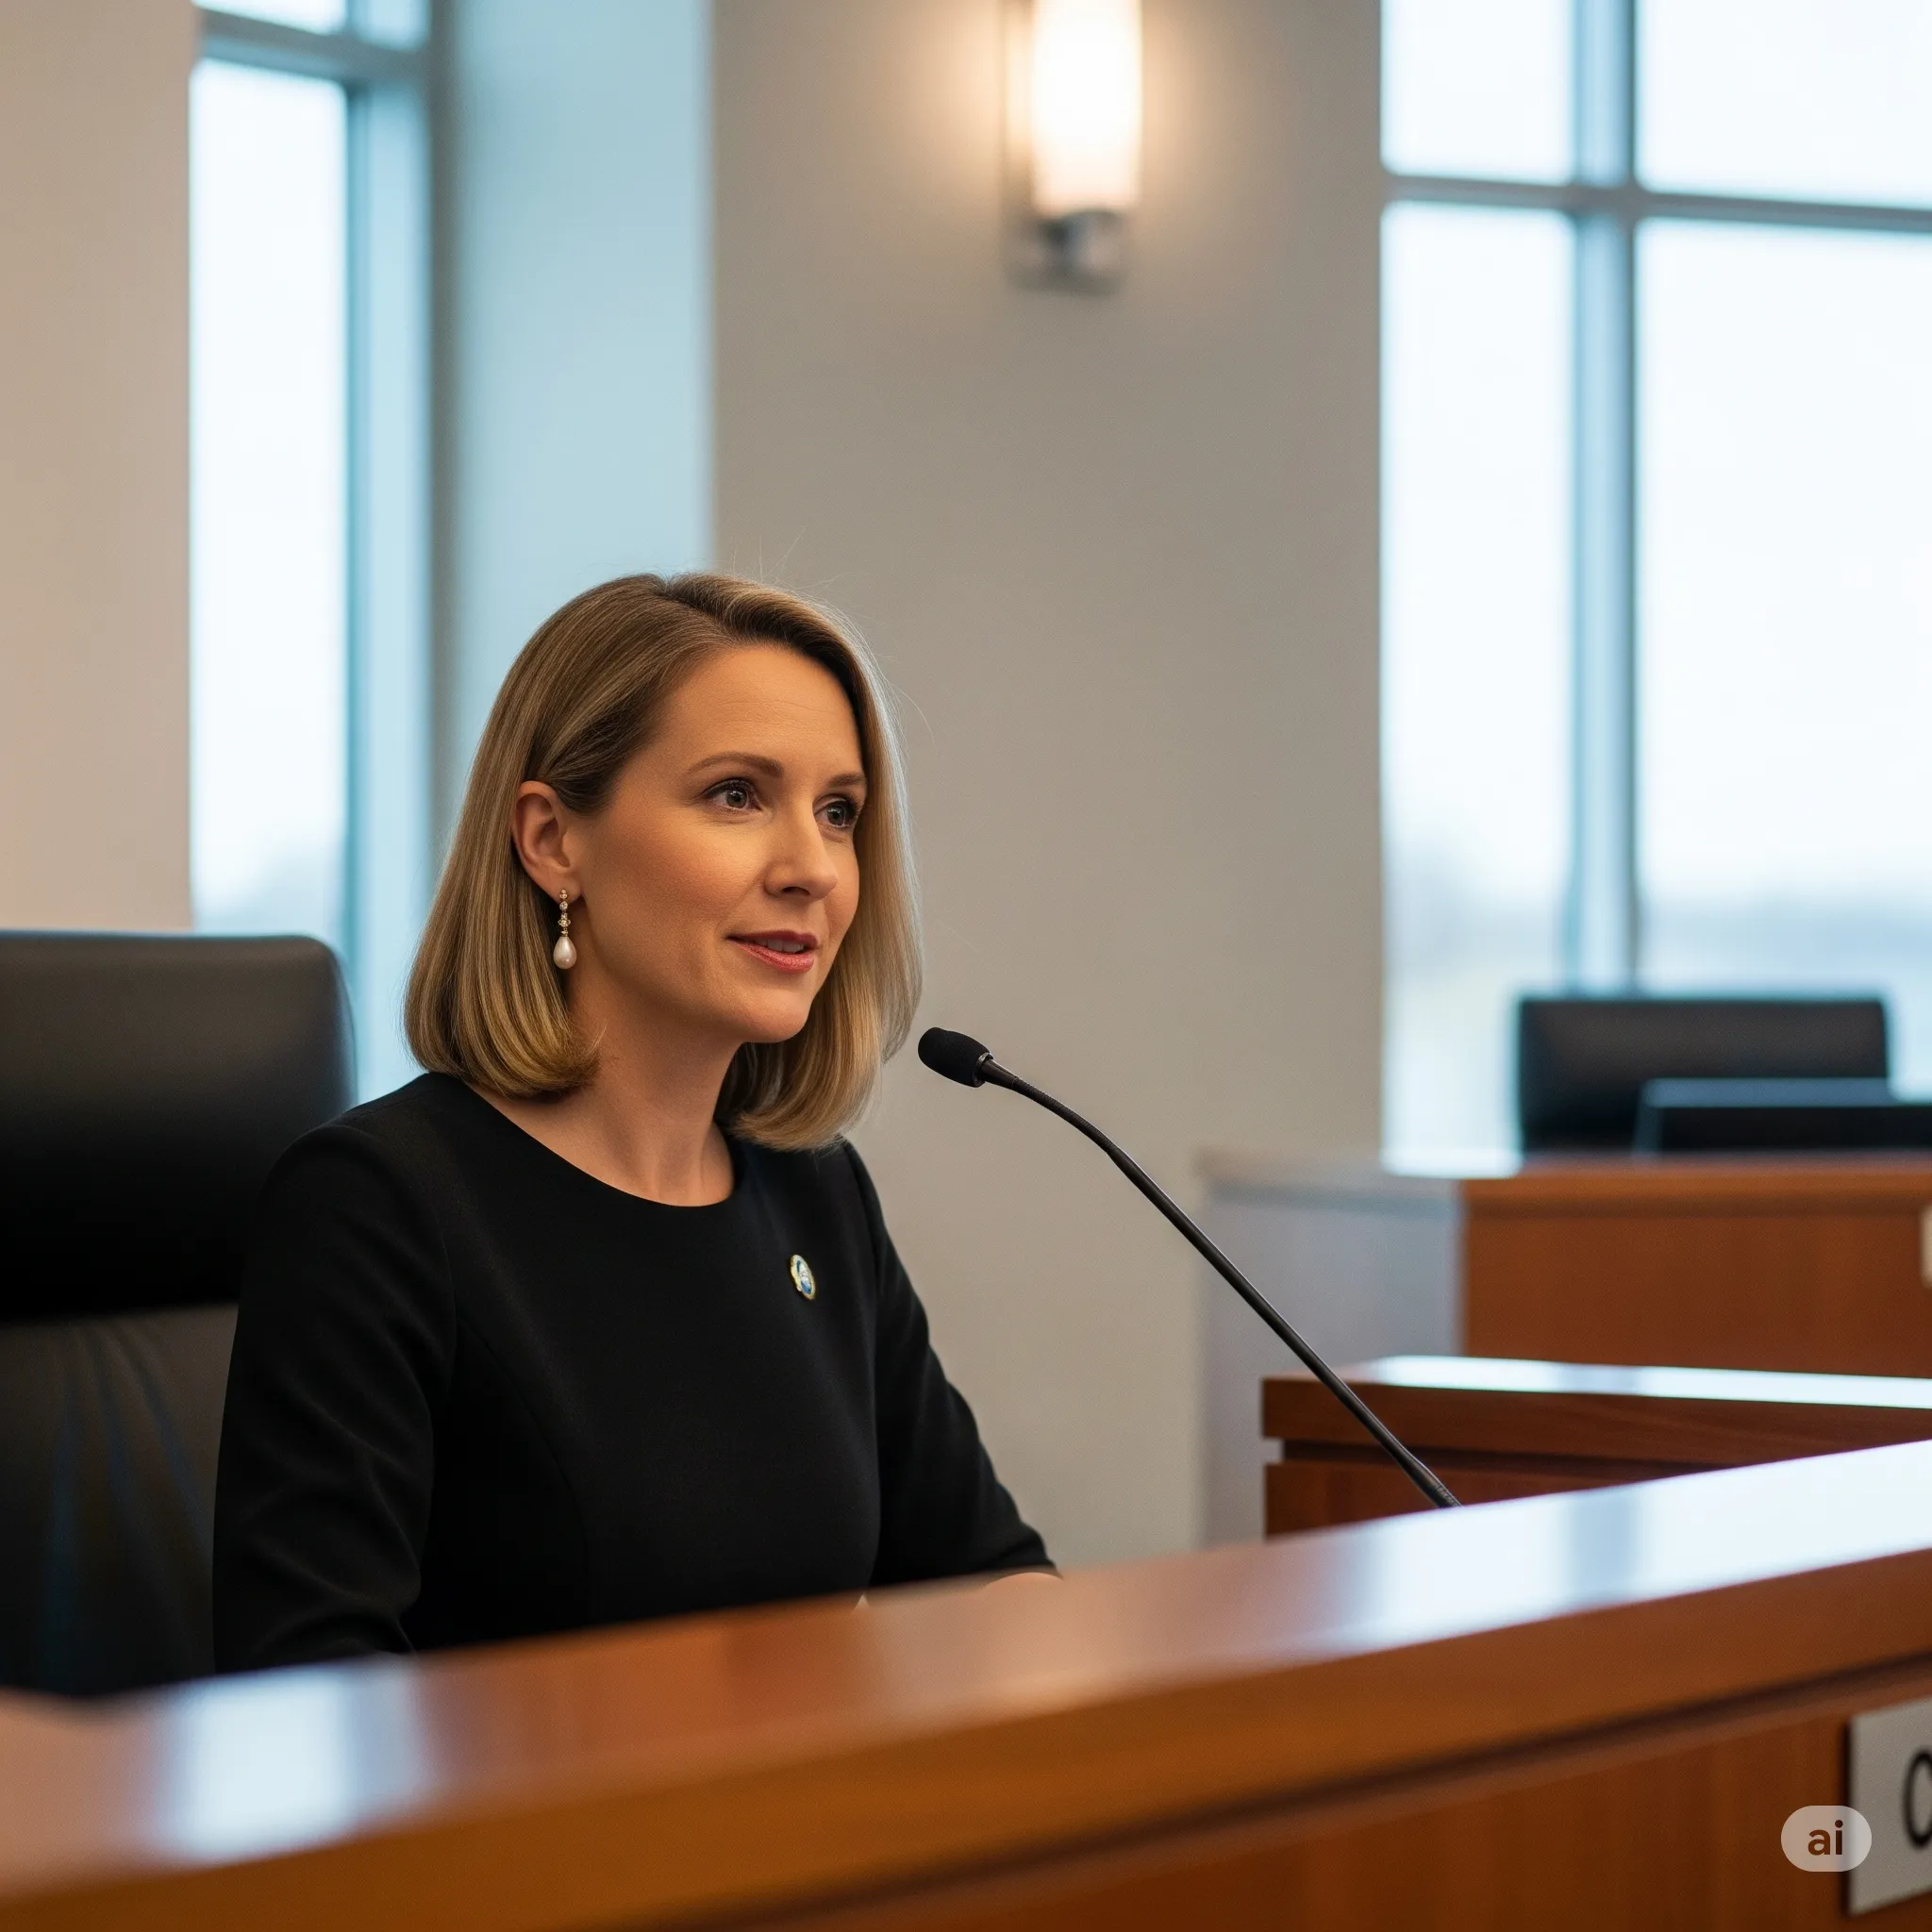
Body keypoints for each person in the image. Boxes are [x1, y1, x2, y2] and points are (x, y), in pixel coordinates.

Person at [213, 573, 1048, 1671]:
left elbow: (986, 1572)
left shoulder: (813, 1193)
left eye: (838, 811)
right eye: (736, 794)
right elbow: (310, 1684)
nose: (811, 868)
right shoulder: (380, 1206)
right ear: (552, 839)